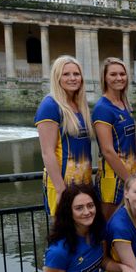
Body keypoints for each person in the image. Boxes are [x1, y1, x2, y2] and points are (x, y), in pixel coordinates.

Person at [35, 56, 93, 216]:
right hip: (63, 184)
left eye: (76, 74)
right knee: (66, 236)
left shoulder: (80, 104)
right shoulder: (50, 105)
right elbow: (47, 152)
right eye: (66, 74)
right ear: (57, 77)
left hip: (83, 181)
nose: (73, 78)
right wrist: (61, 190)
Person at [93, 58, 136, 220]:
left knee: (128, 224)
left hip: (130, 175)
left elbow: (134, 140)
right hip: (112, 179)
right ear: (105, 78)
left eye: (122, 74)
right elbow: (107, 150)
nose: (119, 78)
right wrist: (129, 181)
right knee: (109, 227)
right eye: (113, 74)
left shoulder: (124, 103)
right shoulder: (102, 108)